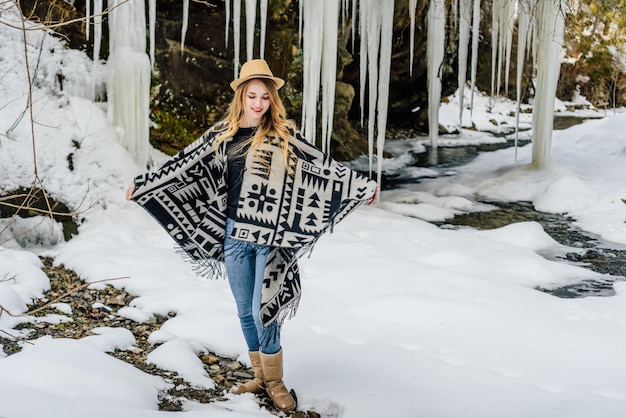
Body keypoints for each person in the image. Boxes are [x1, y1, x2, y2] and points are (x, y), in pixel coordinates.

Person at [126, 59, 378, 412]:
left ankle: (275, 383)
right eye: (252, 96)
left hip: (270, 241)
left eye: (264, 97)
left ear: (272, 100)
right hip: (233, 238)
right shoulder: (221, 136)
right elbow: (181, 166)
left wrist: (361, 184)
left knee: (266, 310)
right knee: (245, 312)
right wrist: (144, 185)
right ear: (241, 97)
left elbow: (326, 168)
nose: (258, 103)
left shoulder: (284, 137)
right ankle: (260, 376)